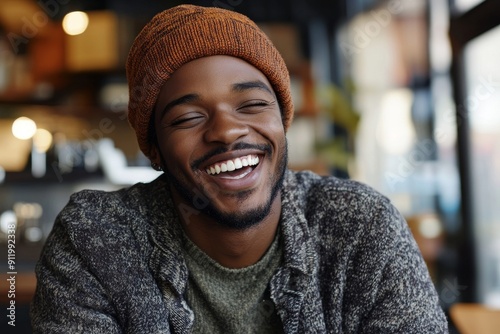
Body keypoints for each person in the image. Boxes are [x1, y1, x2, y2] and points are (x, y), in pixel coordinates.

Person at [30, 4, 448, 333]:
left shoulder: (360, 228)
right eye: (188, 118)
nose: (227, 132)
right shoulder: (94, 241)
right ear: (154, 150)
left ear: (282, 123)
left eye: (252, 105)